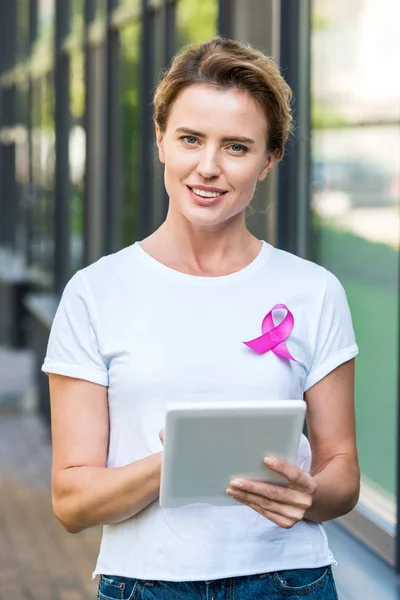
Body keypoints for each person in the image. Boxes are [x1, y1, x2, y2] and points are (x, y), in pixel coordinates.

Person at [43, 36, 360, 599]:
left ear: (269, 160)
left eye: (237, 147)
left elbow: (343, 474)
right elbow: (71, 504)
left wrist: (306, 493)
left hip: (291, 582)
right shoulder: (95, 293)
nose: (208, 168)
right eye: (191, 139)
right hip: (147, 585)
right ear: (162, 140)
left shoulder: (315, 291)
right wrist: (180, 462)